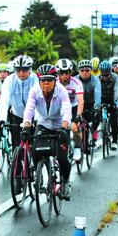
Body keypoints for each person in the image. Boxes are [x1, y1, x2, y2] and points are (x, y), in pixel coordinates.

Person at [22, 64, 73, 199]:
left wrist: (64, 126)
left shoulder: (61, 91)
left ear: (55, 80)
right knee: (36, 152)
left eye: (49, 80)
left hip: (60, 124)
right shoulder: (34, 91)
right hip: (43, 123)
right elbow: (29, 109)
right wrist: (26, 125)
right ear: (39, 81)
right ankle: (42, 175)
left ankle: (66, 183)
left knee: (62, 158)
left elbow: (67, 109)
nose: (46, 83)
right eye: (43, 80)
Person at [0, 55, 36, 145]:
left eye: (25, 70)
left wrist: (37, 118)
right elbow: (4, 100)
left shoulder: (35, 79)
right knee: (17, 146)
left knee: (35, 147)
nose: (21, 73)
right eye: (18, 70)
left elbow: (38, 100)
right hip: (17, 115)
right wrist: (2, 119)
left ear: (30, 69)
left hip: (33, 116)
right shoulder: (9, 80)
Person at [55, 58, 84, 162]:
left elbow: (80, 101)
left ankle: (77, 147)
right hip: (60, 108)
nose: (64, 75)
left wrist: (77, 116)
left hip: (74, 107)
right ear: (58, 73)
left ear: (71, 72)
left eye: (67, 72)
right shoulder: (54, 83)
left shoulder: (77, 83)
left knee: (74, 128)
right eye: (62, 73)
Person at [98, 59, 118, 143]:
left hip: (112, 99)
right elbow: (96, 92)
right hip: (102, 99)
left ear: (110, 71)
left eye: (107, 75)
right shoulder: (97, 78)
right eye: (103, 75)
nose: (105, 77)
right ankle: (101, 129)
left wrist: (115, 101)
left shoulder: (116, 77)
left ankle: (114, 141)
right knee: (96, 115)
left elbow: (117, 91)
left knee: (114, 120)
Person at [77, 59, 102, 142]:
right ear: (79, 71)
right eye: (82, 70)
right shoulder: (75, 80)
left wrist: (97, 106)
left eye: (87, 70)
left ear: (90, 70)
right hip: (79, 104)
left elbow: (98, 95)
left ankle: (94, 130)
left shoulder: (95, 80)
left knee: (97, 114)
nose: (84, 72)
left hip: (92, 103)